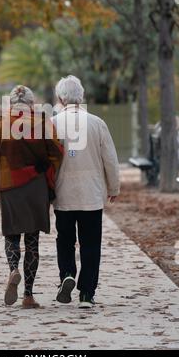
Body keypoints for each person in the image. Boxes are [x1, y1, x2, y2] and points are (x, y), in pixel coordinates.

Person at [0, 85, 63, 309]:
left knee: (11, 234)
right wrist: (46, 168)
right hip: (36, 187)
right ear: (30, 103)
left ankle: (13, 270)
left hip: (9, 185)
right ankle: (28, 296)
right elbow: (58, 153)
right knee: (32, 240)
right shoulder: (43, 122)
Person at [52, 76, 120, 308]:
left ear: (61, 98)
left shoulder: (53, 123)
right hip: (91, 194)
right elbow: (110, 159)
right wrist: (114, 187)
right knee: (91, 243)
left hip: (63, 194)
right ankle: (86, 293)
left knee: (65, 240)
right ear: (81, 97)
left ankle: (67, 275)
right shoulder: (97, 123)